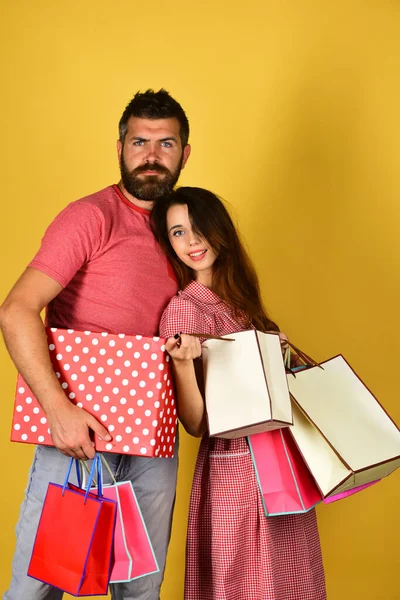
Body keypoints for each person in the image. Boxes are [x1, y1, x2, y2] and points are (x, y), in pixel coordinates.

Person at [0, 89, 191, 600]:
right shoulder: (91, 216)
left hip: (154, 436)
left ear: (185, 153)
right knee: (38, 587)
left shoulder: (184, 231)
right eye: (139, 142)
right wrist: (57, 410)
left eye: (165, 143)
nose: (151, 155)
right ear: (120, 148)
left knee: (141, 588)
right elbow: (16, 310)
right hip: (77, 435)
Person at [151, 186, 326, 600]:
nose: (191, 241)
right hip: (238, 470)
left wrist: (284, 357)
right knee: (248, 585)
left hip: (283, 464)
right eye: (177, 232)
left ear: (219, 229)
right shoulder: (184, 310)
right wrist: (180, 363)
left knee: (291, 582)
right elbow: (195, 423)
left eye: (197, 228)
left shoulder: (241, 303)